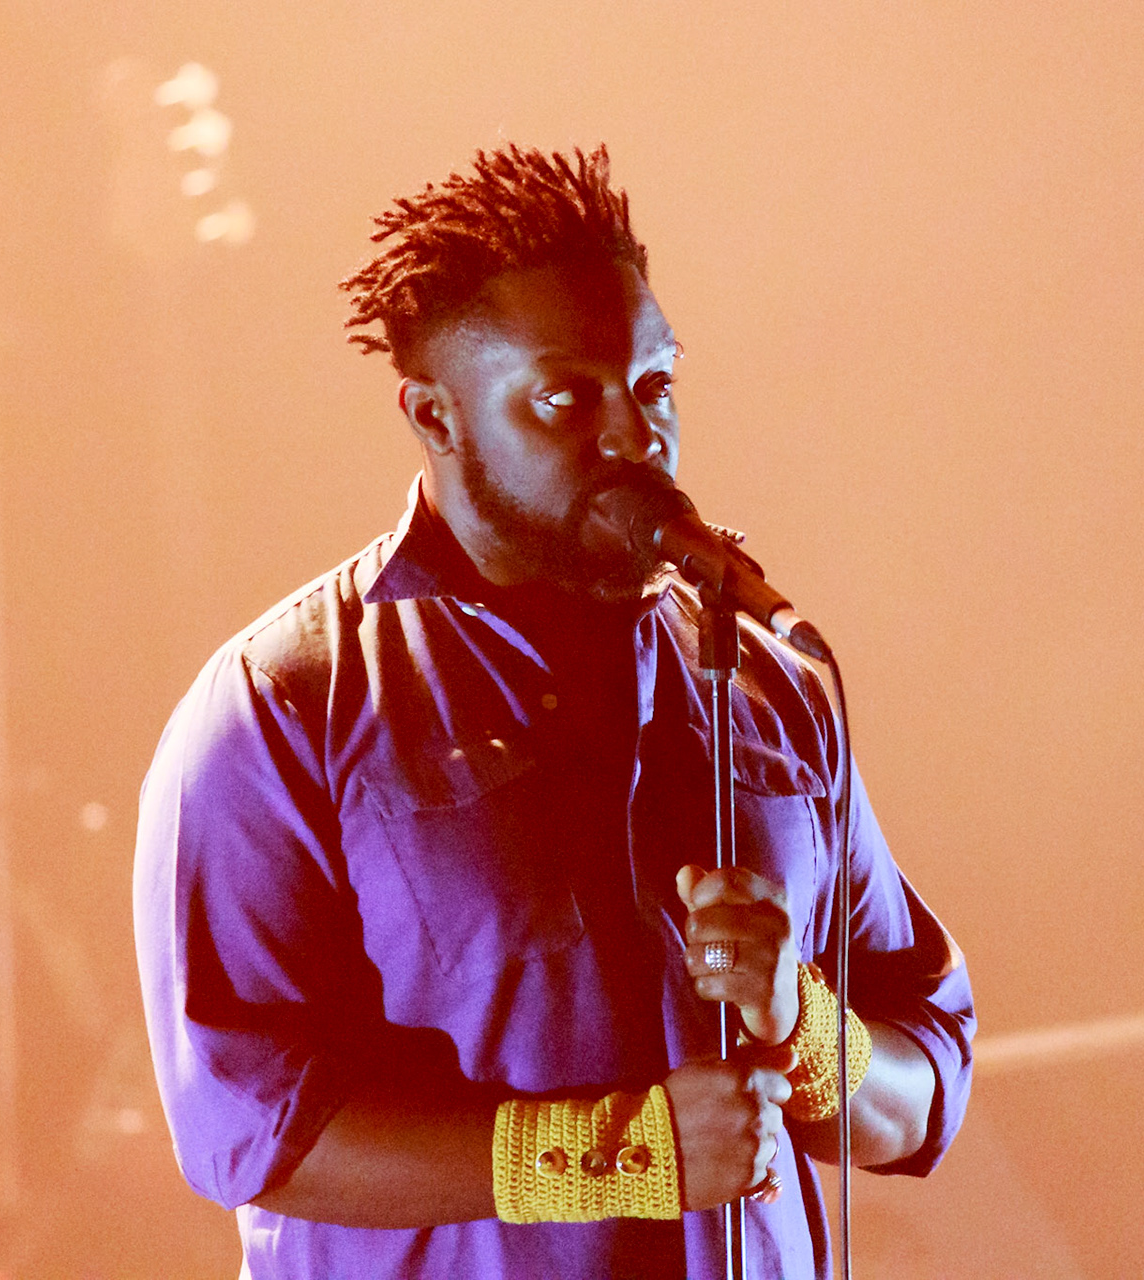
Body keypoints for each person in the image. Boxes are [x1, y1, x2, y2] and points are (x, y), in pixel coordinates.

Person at [133, 143, 974, 1279]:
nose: (634, 437)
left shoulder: (771, 685)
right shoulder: (279, 709)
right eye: (565, 397)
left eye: (654, 385)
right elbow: (250, 1131)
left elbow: (922, 1098)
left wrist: (804, 1023)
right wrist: (610, 1154)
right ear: (435, 415)